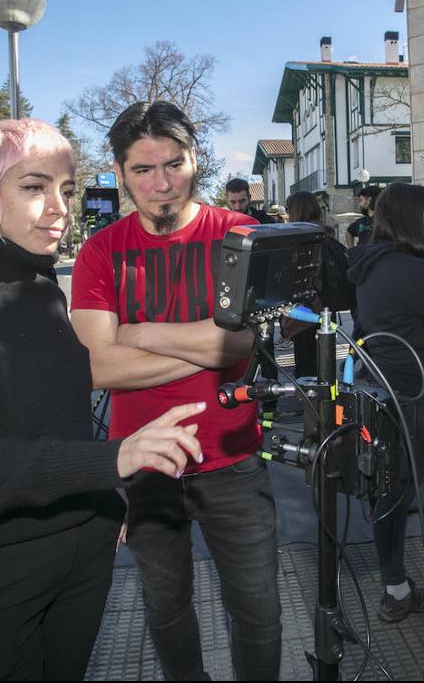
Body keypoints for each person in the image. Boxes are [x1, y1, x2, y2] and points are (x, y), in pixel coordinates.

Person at [0, 118, 205, 681]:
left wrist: (103, 496)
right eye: (33, 187)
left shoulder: (43, 290)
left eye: (67, 190)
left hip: (78, 560)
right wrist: (114, 461)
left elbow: (55, 418)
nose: (59, 208)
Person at [70, 102, 282, 681]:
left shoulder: (238, 234)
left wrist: (137, 334)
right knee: (165, 611)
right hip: (143, 462)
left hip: (233, 456)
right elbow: (96, 367)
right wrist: (203, 345)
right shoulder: (100, 251)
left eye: (175, 164)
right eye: (143, 170)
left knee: (259, 612)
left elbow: (237, 349)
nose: (162, 184)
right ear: (119, 172)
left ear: (196, 161)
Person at [345, 183, 424, 628]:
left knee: (389, 493)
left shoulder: (365, 265)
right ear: (411, 217)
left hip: (380, 394)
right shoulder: (412, 269)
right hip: (423, 395)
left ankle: (395, 589)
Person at [283, 190, 354, 378]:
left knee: (307, 370)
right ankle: (327, 403)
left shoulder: (300, 239)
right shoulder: (325, 234)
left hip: (306, 313)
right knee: (325, 364)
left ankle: (310, 405)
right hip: (327, 308)